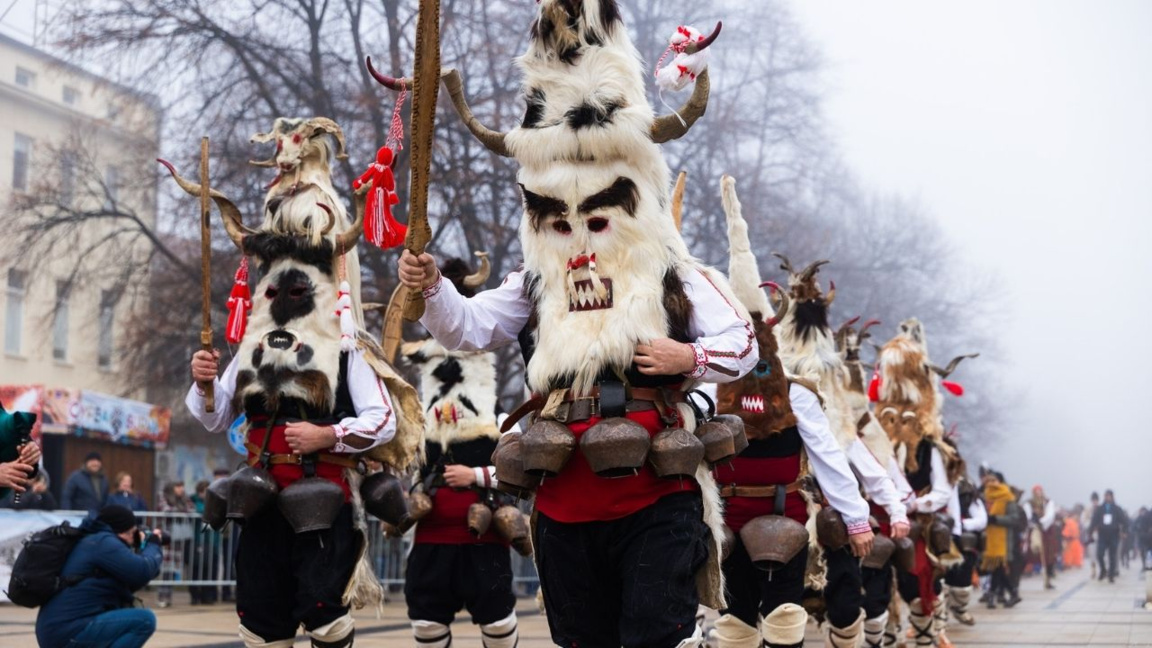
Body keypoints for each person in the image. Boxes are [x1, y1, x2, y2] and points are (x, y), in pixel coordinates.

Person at [182, 114, 422, 648]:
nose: (284, 288)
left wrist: (326, 436)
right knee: (260, 625)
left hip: (323, 502)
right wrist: (201, 384)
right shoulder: (250, 345)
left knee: (323, 620)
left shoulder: (345, 345)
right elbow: (216, 415)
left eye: (299, 279)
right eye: (275, 279)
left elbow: (382, 422)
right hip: (259, 497)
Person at [707, 182, 877, 648]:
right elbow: (826, 455)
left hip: (770, 514)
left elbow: (828, 454)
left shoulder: (720, 391)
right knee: (747, 611)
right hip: (738, 515)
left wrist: (857, 517)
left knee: (767, 609)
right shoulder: (717, 391)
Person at [34, 504, 165, 648]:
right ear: (120, 532)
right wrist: (153, 544)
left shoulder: (92, 540)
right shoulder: (104, 543)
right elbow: (142, 571)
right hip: (67, 631)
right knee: (145, 620)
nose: (132, 538)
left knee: (127, 611)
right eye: (131, 532)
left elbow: (134, 579)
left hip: (56, 631)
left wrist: (142, 550)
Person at [981, 471, 1022, 608]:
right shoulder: (985, 498)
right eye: (989, 481)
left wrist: (996, 519)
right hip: (989, 540)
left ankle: (993, 595)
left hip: (1003, 540)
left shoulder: (1008, 497)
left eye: (994, 480)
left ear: (1000, 482)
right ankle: (1013, 593)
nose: (991, 483)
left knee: (997, 568)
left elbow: (1015, 519)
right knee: (997, 569)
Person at [156, 481, 196, 607]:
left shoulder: (185, 498)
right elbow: (166, 510)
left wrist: (181, 510)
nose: (181, 489)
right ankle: (163, 596)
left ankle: (169, 596)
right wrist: (181, 510)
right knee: (166, 570)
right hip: (167, 539)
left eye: (182, 486)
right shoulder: (164, 497)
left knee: (173, 570)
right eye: (178, 486)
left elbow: (191, 509)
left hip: (179, 540)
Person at [1089, 489, 1129, 583]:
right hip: (1102, 534)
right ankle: (1103, 569)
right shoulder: (1100, 509)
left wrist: (1124, 531)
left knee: (1112, 556)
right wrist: (1090, 532)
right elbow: (1094, 521)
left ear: (1112, 497)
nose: (1107, 497)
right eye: (1106, 496)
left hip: (1113, 534)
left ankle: (1111, 574)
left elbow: (1124, 521)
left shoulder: (1117, 509)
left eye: (1109, 496)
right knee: (1099, 554)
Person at [1028, 485, 1060, 588]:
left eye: (1039, 491)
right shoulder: (1030, 503)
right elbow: (1029, 517)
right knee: (1036, 552)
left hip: (1047, 531)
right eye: (1036, 491)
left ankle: (1048, 579)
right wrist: (1034, 523)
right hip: (1036, 530)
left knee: (1049, 555)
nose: (1038, 493)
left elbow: (1050, 515)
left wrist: (1042, 522)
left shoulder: (1048, 502)